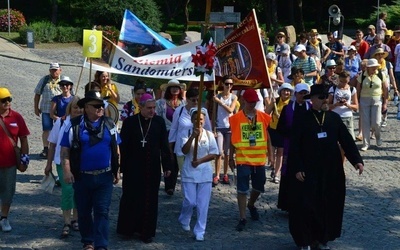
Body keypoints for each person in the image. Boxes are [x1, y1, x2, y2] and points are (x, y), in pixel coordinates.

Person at [287, 84, 364, 250]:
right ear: (313, 100)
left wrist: (357, 160)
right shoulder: (302, 119)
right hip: (308, 171)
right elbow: (294, 146)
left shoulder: (333, 119)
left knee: (327, 206)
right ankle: (305, 240)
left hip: (330, 171)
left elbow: (346, 140)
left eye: (326, 97)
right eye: (321, 97)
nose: (325, 100)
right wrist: (298, 167)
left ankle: (322, 238)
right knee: (306, 206)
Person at [60, 90, 120, 250]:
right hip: (82, 177)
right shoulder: (73, 126)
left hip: (104, 176)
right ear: (86, 107)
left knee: (102, 211)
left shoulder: (110, 124)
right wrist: (66, 170)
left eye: (102, 105)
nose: (101, 108)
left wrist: (117, 169)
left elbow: (116, 148)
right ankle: (88, 241)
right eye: (96, 105)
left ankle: (101, 245)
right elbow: (65, 150)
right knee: (84, 212)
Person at [116, 93, 171, 243]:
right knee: (130, 198)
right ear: (140, 107)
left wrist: (167, 165)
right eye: (149, 108)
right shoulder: (130, 122)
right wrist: (121, 168)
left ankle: (146, 232)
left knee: (149, 200)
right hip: (132, 167)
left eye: (154, 108)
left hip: (151, 168)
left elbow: (164, 146)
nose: (152, 111)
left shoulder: (159, 122)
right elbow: (123, 146)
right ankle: (127, 229)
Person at [229, 88, 272, 231]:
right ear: (243, 101)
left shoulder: (263, 116)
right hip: (242, 159)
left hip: (259, 159)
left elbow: (268, 136)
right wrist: (230, 157)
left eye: (255, 102)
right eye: (250, 102)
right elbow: (232, 139)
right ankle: (242, 218)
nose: (253, 104)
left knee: (259, 186)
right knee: (242, 189)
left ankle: (251, 204)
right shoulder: (235, 119)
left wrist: (270, 154)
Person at [177, 107, 219, 241]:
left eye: (200, 119)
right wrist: (192, 137)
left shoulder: (209, 134)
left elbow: (214, 153)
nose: (198, 121)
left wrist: (200, 160)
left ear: (204, 120)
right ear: (191, 120)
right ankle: (184, 217)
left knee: (202, 204)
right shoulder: (186, 132)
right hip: (189, 171)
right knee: (190, 201)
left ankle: (200, 230)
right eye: (196, 119)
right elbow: (184, 150)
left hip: (204, 172)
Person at [45, 96, 82, 237]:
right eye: (75, 107)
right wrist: (48, 164)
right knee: (67, 190)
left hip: (79, 163)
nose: (78, 110)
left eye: (80, 107)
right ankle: (66, 221)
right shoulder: (61, 122)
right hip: (62, 162)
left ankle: (75, 218)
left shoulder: (85, 123)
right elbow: (52, 144)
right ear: (70, 109)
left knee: (78, 190)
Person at [276, 83, 311, 211]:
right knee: (290, 173)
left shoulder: (311, 108)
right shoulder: (288, 108)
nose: (303, 95)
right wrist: (291, 132)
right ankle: (288, 204)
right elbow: (280, 127)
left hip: (307, 146)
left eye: (305, 93)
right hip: (290, 145)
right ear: (295, 94)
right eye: (301, 93)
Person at [0, 87, 30, 232]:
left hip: (10, 163)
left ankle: (4, 218)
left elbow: (23, 139)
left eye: (9, 99)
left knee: (8, 192)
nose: (7, 103)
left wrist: (24, 160)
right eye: (3, 100)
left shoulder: (17, 117)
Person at [155, 79, 186, 195]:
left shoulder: (184, 104)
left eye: (177, 87)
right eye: (172, 87)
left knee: (176, 158)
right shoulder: (160, 103)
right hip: (165, 134)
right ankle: (167, 183)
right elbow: (157, 119)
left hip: (179, 135)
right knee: (166, 157)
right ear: (168, 89)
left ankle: (171, 185)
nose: (174, 89)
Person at [168, 88, 212, 171]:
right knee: (184, 174)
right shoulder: (179, 111)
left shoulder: (203, 111)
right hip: (182, 147)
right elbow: (173, 129)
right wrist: (170, 146)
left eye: (198, 100)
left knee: (197, 173)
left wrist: (210, 146)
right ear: (187, 99)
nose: (196, 102)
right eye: (193, 100)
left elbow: (208, 129)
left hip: (199, 148)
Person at [356, 58, 388, 151]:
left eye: (376, 67)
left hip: (377, 100)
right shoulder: (362, 75)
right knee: (365, 122)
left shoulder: (381, 74)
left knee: (377, 122)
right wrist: (357, 102)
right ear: (368, 68)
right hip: (364, 100)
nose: (374, 69)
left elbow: (385, 89)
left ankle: (378, 136)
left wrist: (385, 103)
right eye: (372, 67)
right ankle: (366, 143)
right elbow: (358, 89)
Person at [265, 83, 294, 184]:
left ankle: (277, 174)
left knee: (280, 153)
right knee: (271, 152)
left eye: (288, 91)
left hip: (284, 131)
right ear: (280, 91)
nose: (286, 92)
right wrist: (271, 104)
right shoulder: (276, 101)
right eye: (284, 90)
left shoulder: (291, 103)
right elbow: (266, 113)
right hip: (273, 129)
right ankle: (272, 166)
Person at [34, 62, 63, 158]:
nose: (54, 71)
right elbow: (37, 94)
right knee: (47, 129)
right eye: (52, 69)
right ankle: (46, 149)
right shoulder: (44, 80)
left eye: (56, 69)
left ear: (60, 70)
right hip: (46, 109)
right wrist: (36, 107)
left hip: (60, 110)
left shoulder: (64, 81)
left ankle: (59, 149)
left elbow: (71, 96)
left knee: (60, 129)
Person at [328, 71, 359, 161]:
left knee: (345, 144)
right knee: (334, 143)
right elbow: (327, 105)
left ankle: (341, 164)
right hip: (334, 117)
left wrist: (348, 105)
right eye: (341, 81)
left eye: (345, 82)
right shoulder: (333, 89)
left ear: (348, 80)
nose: (343, 84)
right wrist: (336, 104)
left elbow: (356, 106)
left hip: (347, 117)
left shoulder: (352, 89)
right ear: (338, 80)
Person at [212, 76, 237, 186]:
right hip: (219, 127)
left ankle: (225, 174)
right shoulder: (217, 96)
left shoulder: (233, 97)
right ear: (222, 84)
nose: (229, 86)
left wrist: (220, 102)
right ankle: (217, 175)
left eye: (231, 84)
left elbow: (231, 110)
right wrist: (213, 128)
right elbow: (213, 113)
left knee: (227, 153)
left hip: (229, 127)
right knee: (218, 152)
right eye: (227, 84)